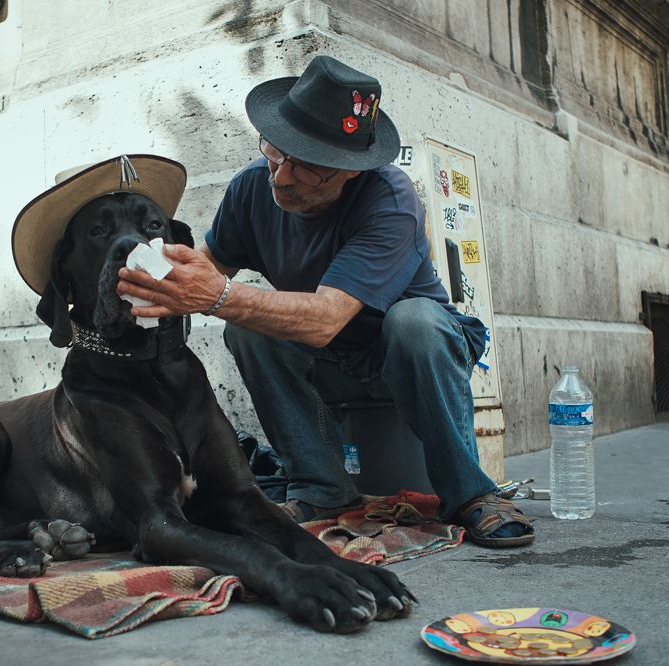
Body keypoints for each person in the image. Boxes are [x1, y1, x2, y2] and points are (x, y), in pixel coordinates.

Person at [117, 55, 533, 547]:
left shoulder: (391, 201)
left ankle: (471, 495)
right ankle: (322, 488)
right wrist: (153, 276)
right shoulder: (254, 185)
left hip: (411, 357)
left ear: (351, 172)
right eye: (277, 152)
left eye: (309, 168)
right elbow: (209, 267)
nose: (283, 178)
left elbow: (326, 318)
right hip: (329, 362)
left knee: (414, 321)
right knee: (246, 326)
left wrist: (217, 295)